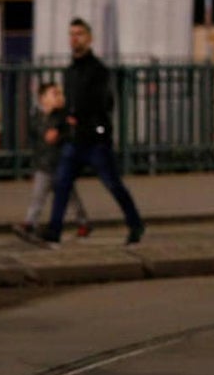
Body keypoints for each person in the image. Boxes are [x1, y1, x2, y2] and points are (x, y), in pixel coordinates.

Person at [41, 17, 145, 245]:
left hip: (95, 140)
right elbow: (68, 104)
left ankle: (135, 223)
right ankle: (54, 230)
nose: (74, 39)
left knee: (113, 184)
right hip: (74, 139)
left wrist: (83, 117)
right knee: (62, 183)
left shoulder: (99, 70)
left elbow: (105, 102)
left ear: (89, 38)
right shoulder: (69, 72)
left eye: (79, 34)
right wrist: (60, 126)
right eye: (71, 34)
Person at [13, 82, 90, 241]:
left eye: (61, 94)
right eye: (55, 94)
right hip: (44, 165)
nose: (60, 97)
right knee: (38, 196)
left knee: (70, 197)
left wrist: (61, 135)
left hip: (62, 164)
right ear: (43, 99)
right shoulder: (37, 118)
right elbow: (36, 141)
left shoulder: (65, 117)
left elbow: (72, 136)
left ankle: (83, 222)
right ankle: (30, 223)